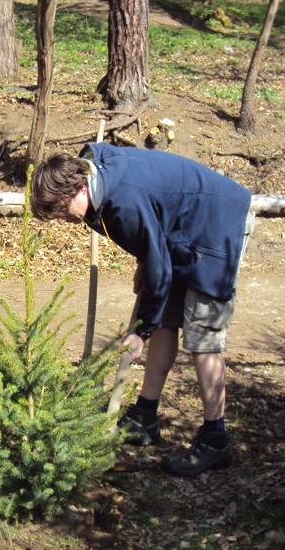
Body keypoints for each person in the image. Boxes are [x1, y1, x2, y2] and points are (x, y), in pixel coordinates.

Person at [30, 142, 254, 477]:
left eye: (61, 210)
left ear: (78, 187)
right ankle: (145, 417)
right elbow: (155, 221)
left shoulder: (123, 201)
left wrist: (139, 332)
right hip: (179, 233)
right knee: (165, 321)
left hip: (215, 228)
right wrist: (145, 261)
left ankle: (215, 438)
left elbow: (157, 264)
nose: (62, 221)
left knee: (202, 340)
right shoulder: (96, 176)